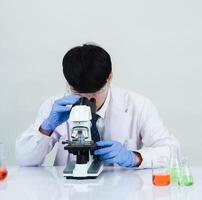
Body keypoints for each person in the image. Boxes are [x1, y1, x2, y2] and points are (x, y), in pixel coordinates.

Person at [15, 44, 179, 168]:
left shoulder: (138, 105)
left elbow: (172, 152)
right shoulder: (54, 105)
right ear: (69, 83)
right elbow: (25, 160)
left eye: (94, 93)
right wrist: (46, 128)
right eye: (78, 93)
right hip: (70, 190)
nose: (87, 99)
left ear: (109, 78)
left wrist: (134, 157)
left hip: (126, 190)